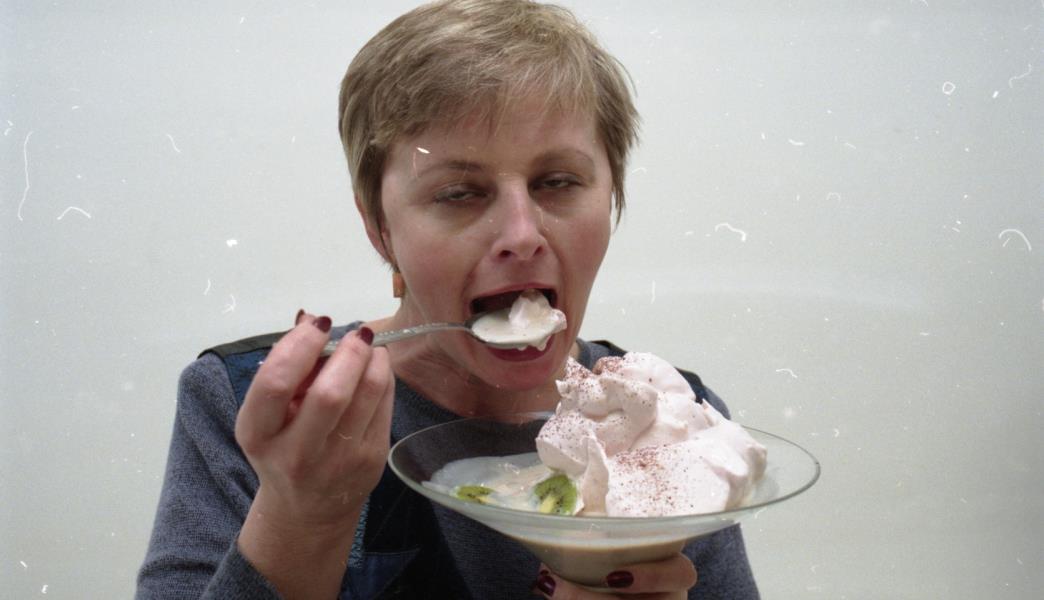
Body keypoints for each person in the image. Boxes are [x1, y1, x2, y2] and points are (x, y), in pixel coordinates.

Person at [136, 1, 760, 598]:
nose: (521, 234)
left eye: (557, 182)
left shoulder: (673, 422)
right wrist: (301, 519)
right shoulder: (258, 406)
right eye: (459, 192)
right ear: (379, 227)